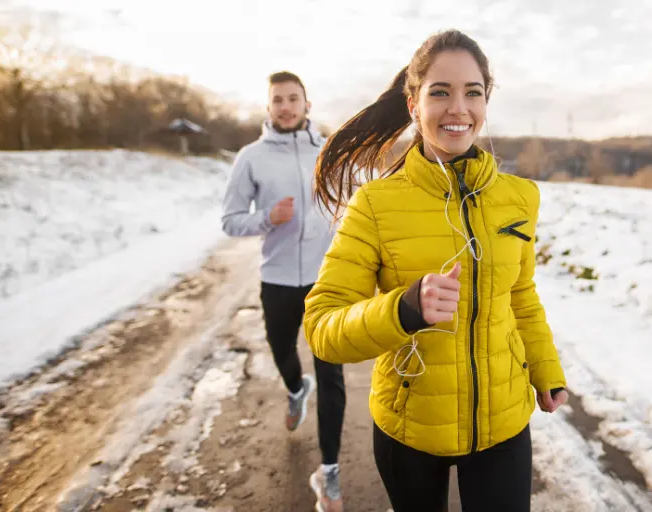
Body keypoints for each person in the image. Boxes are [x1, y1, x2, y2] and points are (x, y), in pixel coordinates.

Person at [302, 29, 569, 512]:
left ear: (487, 101)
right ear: (413, 103)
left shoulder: (520, 197)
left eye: (473, 92)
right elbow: (322, 327)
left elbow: (521, 295)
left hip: (503, 423)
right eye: (440, 92)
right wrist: (403, 309)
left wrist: (546, 369)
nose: (458, 108)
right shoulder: (375, 205)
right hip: (410, 427)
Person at [221, 71, 345, 512]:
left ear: (307, 105)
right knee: (282, 352)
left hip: (325, 280)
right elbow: (231, 219)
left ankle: (329, 473)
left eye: (294, 98)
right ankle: (295, 389)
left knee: (333, 375)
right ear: (269, 107)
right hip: (276, 278)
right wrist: (267, 218)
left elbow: (348, 203)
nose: (287, 106)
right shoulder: (250, 158)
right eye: (279, 100)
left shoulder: (329, 152)